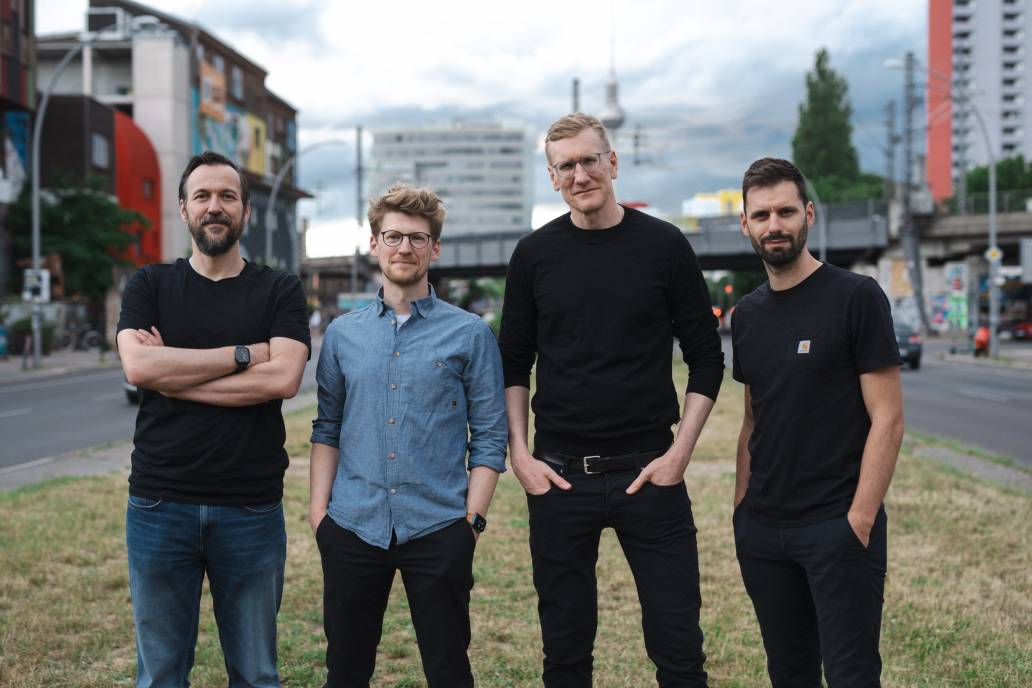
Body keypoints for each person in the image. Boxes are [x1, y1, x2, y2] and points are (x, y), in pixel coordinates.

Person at [498, 113, 723, 687]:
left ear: (612, 162)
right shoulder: (533, 256)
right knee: (565, 656)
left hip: (651, 473)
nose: (580, 174)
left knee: (679, 652)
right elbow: (512, 363)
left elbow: (706, 357)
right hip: (559, 479)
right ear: (552, 177)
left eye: (588, 160)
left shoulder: (665, 246)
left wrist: (680, 456)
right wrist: (519, 455)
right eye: (565, 165)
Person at [116, 151, 311, 687]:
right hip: (159, 503)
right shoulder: (149, 285)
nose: (214, 206)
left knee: (255, 674)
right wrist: (246, 355)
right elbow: (137, 365)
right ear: (183, 209)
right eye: (202, 196)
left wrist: (172, 375)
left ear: (246, 211)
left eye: (227, 196)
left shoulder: (280, 290)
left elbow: (284, 381)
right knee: (160, 675)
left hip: (249, 506)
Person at [309, 184, 507, 687]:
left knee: (449, 670)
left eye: (417, 238)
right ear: (374, 244)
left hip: (439, 526)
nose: (404, 248)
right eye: (392, 236)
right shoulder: (342, 335)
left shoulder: (470, 335)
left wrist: (472, 522)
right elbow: (326, 427)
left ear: (434, 249)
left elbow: (488, 436)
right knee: (345, 671)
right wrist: (320, 518)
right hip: (353, 525)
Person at [731, 157, 905, 687]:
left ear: (809, 215)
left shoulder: (856, 297)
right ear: (745, 224)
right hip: (764, 531)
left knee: (852, 676)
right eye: (761, 215)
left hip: (836, 527)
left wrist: (859, 517)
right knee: (789, 674)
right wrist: (742, 513)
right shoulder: (747, 315)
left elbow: (889, 418)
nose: (774, 225)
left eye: (786, 211)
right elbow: (752, 420)